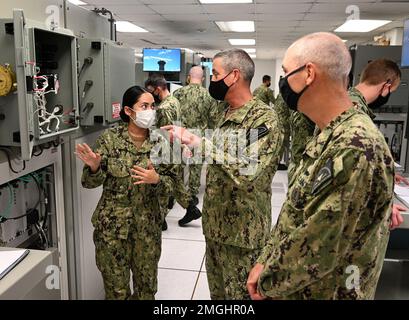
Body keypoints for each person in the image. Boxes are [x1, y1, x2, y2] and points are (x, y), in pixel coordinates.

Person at [247, 32, 395, 300]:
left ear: (309, 74)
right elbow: (296, 209)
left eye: (286, 72)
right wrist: (265, 259)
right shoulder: (328, 133)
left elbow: (319, 245)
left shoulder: (356, 146)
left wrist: (267, 282)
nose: (283, 82)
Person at [162, 49, 284, 299]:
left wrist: (199, 143)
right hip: (215, 227)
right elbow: (217, 153)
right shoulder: (221, 112)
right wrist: (189, 147)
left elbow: (248, 172)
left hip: (243, 235)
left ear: (234, 76)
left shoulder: (263, 120)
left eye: (216, 73)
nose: (212, 79)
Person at [76, 86, 192, 299]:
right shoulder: (109, 140)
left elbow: (176, 186)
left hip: (147, 230)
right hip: (111, 230)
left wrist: (156, 180)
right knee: (116, 291)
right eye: (144, 106)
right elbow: (89, 183)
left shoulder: (164, 141)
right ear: (129, 111)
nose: (150, 111)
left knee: (146, 290)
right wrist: (94, 167)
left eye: (152, 106)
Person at [288, 58, 406, 229]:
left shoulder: (346, 101)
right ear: (386, 85)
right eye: (392, 90)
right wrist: (380, 203)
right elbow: (344, 170)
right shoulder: (353, 110)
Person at [172, 66, 218, 226]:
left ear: (188, 77)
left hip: (181, 135)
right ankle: (192, 195)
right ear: (203, 78)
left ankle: (176, 196)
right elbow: (213, 120)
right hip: (199, 137)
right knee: (196, 169)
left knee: (177, 169)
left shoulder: (178, 93)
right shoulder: (209, 96)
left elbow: (174, 116)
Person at [144, 74, 188, 231]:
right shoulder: (174, 101)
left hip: (166, 152)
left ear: (157, 89)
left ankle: (160, 219)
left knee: (163, 184)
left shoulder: (163, 108)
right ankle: (190, 208)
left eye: (151, 91)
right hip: (175, 148)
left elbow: (164, 134)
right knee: (175, 181)